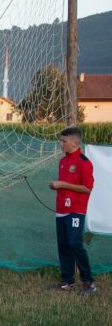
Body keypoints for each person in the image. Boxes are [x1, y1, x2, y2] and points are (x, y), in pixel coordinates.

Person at [50, 126, 97, 295]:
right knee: (63, 245)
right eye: (60, 141)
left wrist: (63, 184)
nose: (61, 144)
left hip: (76, 210)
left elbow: (87, 188)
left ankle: (88, 282)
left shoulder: (84, 162)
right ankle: (67, 281)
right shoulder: (63, 161)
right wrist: (57, 186)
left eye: (64, 141)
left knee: (75, 244)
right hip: (61, 209)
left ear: (75, 142)